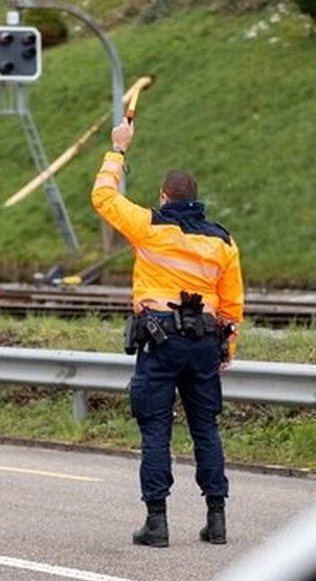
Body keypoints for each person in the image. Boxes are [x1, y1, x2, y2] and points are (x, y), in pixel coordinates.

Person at [91, 118, 244, 548]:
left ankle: (156, 524)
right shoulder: (223, 242)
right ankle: (216, 520)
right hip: (204, 343)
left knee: (156, 428)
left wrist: (118, 149)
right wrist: (227, 347)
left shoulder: (149, 226)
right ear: (196, 200)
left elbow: (103, 196)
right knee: (206, 429)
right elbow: (232, 304)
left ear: (164, 197)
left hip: (160, 342)